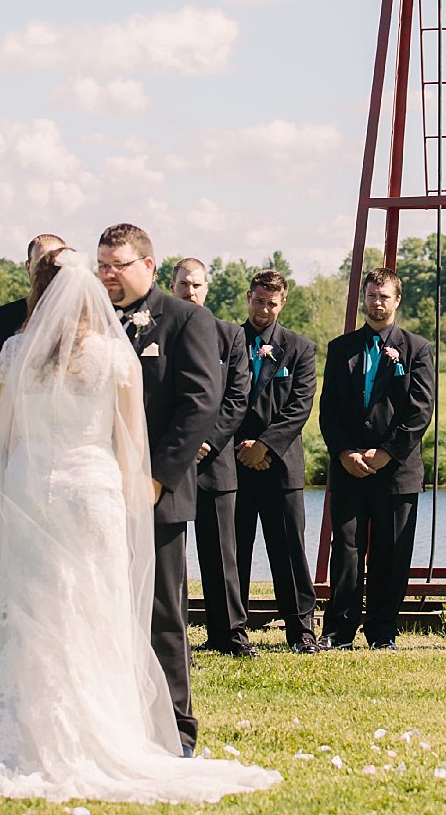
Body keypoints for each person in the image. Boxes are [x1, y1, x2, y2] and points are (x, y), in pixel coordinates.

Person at [0, 249, 279, 802]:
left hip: (33, 487)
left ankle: (32, 737)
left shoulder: (14, 351)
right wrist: (135, 492)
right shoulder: (112, 354)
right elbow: (129, 439)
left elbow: (12, 434)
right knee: (97, 611)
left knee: (35, 609)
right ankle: (104, 732)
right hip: (93, 489)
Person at [93, 222, 220, 753]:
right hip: (95, 489)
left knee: (163, 614)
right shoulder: (93, 320)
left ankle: (174, 730)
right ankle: (113, 723)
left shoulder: (187, 319)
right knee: (102, 609)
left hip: (156, 494)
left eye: (116, 266)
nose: (107, 276)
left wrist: (156, 478)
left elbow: (200, 402)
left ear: (147, 265)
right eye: (102, 266)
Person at [318, 267, 434, 650]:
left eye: (384, 296)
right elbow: (328, 410)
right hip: (349, 469)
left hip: (396, 472)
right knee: (346, 550)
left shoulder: (417, 349)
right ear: (364, 299)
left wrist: (386, 453)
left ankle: (383, 632)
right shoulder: (341, 348)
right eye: (371, 296)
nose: (377, 302)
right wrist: (345, 451)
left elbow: (420, 411)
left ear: (397, 300)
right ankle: (338, 630)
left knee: (390, 553)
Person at [230, 269, 319, 653]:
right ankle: (231, 632)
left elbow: (300, 406)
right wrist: (240, 446)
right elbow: (217, 399)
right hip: (231, 464)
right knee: (234, 550)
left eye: (272, 303)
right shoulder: (226, 341)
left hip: (280, 467)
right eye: (258, 300)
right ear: (248, 296)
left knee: (288, 551)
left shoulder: (299, 348)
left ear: (283, 303)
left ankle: (301, 634)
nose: (264, 309)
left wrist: (264, 445)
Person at [174, 259, 252, 658]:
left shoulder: (230, 336)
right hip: (169, 461)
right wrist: (182, 443)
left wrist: (208, 440)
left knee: (222, 553)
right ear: (171, 286)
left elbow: (237, 398)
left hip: (216, 460)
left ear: (207, 289)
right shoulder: (158, 332)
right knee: (168, 557)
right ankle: (171, 637)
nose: (190, 291)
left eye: (197, 285)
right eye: (184, 284)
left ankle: (231, 636)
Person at [0, 234, 66, 413]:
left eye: (55, 265)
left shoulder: (87, 317)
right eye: (42, 264)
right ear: (28, 266)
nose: (48, 271)